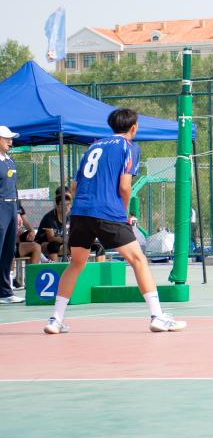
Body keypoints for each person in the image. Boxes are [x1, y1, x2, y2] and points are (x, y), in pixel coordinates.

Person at [43, 109, 185, 333]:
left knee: (76, 264)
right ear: (134, 128)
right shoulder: (129, 147)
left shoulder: (93, 147)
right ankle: (157, 316)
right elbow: (125, 187)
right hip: (107, 211)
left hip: (80, 213)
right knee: (138, 259)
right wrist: (123, 212)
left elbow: (74, 187)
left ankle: (55, 319)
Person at [0, 126, 25, 304]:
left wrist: (17, 212)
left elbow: (14, 189)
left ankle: (4, 293)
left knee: (8, 252)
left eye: (11, 138)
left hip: (11, 208)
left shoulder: (10, 161)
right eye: (7, 138)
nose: (11, 141)